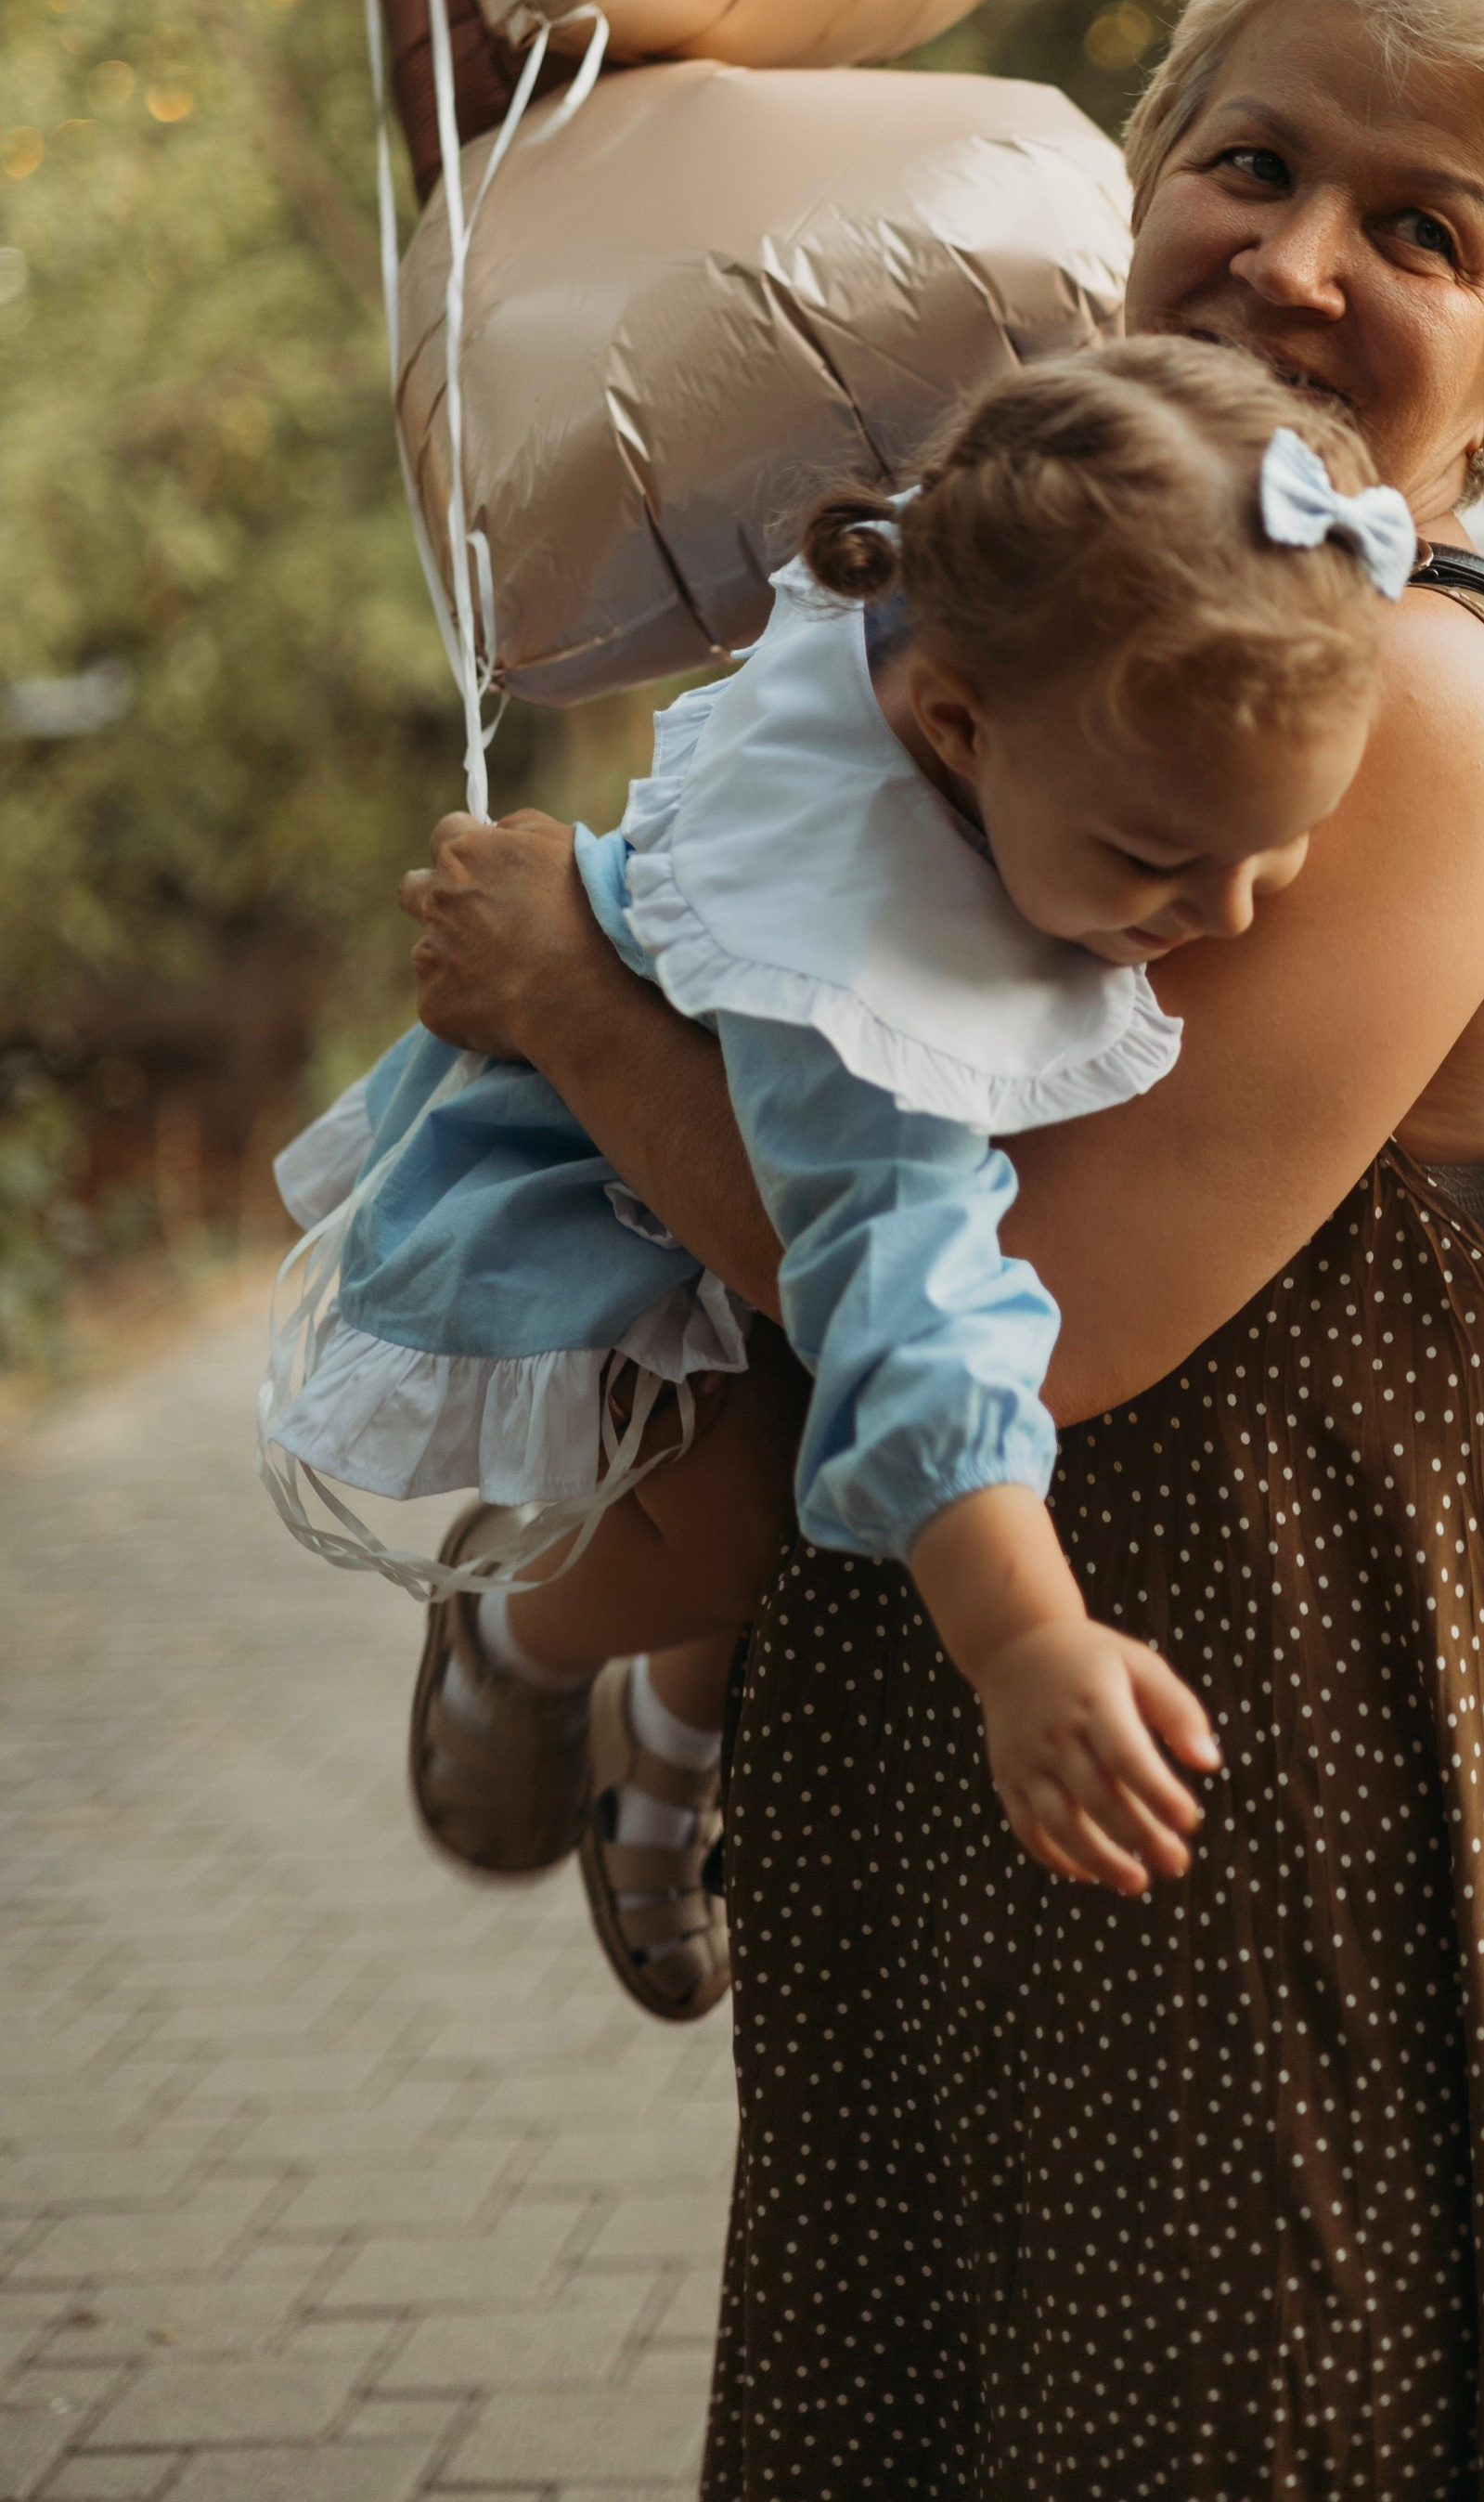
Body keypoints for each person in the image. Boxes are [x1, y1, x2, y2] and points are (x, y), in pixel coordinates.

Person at [398, 0, 1484, 2502]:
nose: (1299, 259)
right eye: (1257, 161)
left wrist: (587, 1022)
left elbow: (1040, 1305)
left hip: (1235, 1881)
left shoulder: (1391, 701)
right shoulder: (1084, 632)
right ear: (1141, 181)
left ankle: (570, 1685)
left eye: (1426, 226)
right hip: (1030, 1863)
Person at [271, 343, 1413, 2013]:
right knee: (740, 1508)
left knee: (786, 1463)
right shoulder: (857, 970)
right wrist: (1023, 1643)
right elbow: (904, 1291)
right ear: (959, 724)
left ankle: (654, 1746)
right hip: (641, 1179)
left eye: (1277, 849)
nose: (1233, 915)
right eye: (1163, 862)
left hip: (752, 1128)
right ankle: (545, 1654)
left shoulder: (995, 598)